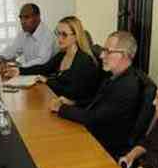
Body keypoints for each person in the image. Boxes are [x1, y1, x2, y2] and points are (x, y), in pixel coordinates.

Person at [48, 30, 142, 159]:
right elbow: (97, 102)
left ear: (124, 55)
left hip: (103, 147)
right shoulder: (115, 76)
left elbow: (94, 117)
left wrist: (61, 108)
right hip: (93, 133)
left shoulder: (127, 86)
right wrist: (73, 103)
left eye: (108, 51)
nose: (102, 55)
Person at [6, 16, 100, 106]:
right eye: (57, 33)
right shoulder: (63, 54)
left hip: (76, 109)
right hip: (60, 102)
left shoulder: (83, 60)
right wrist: (19, 71)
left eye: (64, 34)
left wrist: (47, 81)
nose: (59, 38)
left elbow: (71, 91)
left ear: (76, 36)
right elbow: (44, 68)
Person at [0, 3, 57, 68]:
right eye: (21, 18)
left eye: (26, 17)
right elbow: (13, 49)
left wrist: (20, 65)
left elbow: (42, 60)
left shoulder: (47, 35)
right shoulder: (23, 33)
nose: (22, 21)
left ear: (37, 17)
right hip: (29, 73)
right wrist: (2, 57)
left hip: (45, 74)